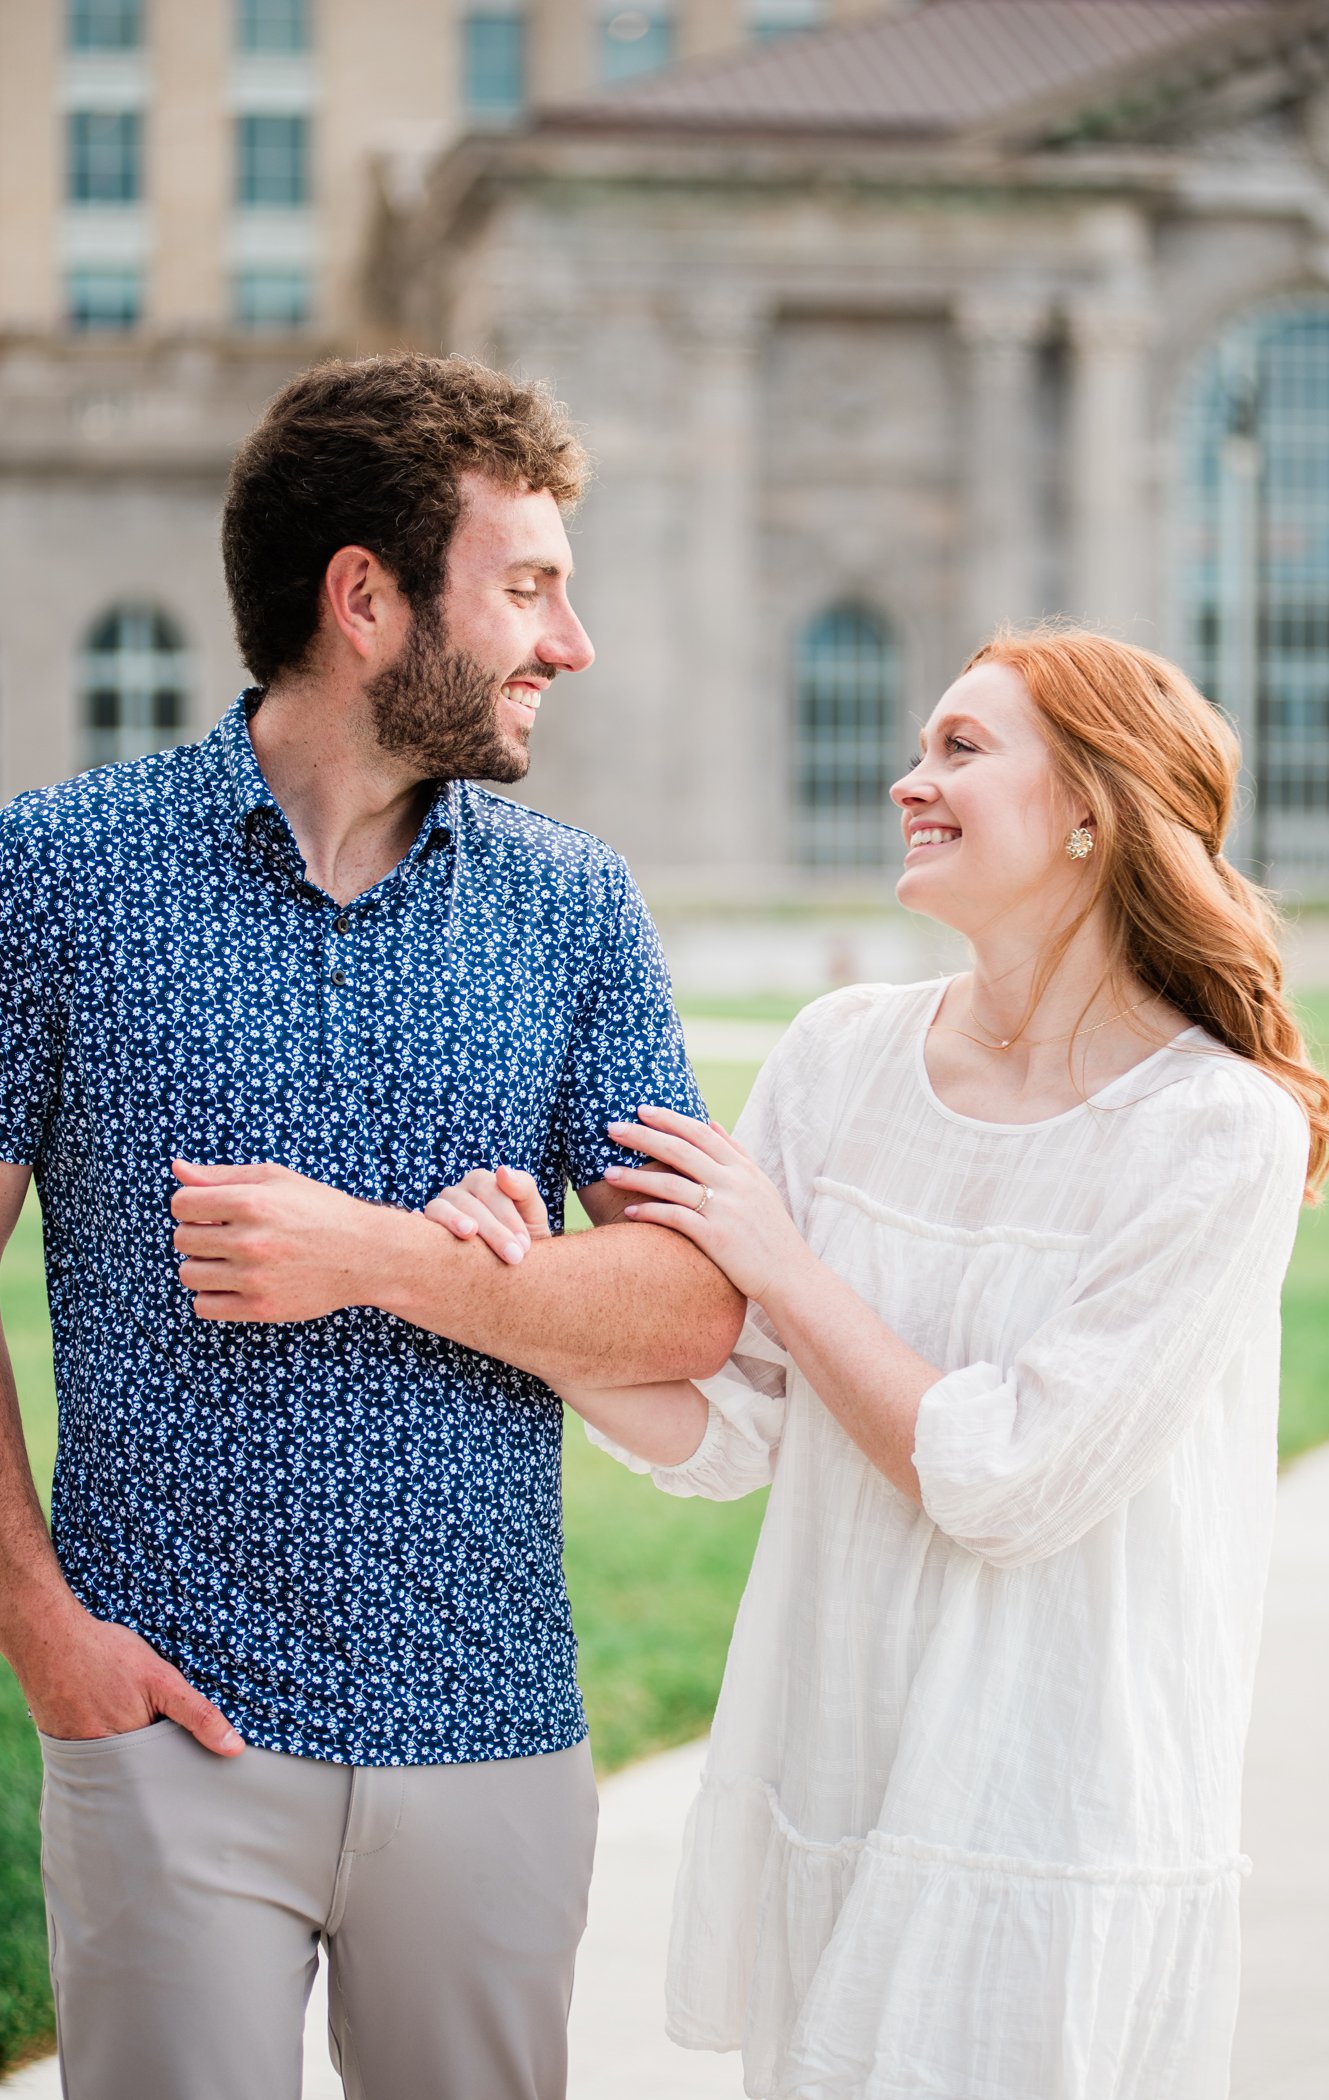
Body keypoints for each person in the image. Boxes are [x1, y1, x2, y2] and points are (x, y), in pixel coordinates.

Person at [430, 629, 1329, 2099]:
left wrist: (778, 1257)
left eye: (962, 751)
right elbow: (731, 1429)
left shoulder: (1216, 1129)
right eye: (919, 747)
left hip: (1054, 1812)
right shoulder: (840, 1053)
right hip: (833, 1771)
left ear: (1093, 809)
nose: (907, 781)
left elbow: (1006, 1477)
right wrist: (505, 1294)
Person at [0, 351, 742, 2100]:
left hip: (490, 1735)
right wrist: (39, 1625)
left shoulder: (573, 903)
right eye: (529, 588)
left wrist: (383, 1260)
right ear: (366, 599)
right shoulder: (55, 874)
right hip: (166, 1726)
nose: (568, 643)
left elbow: (694, 1303)